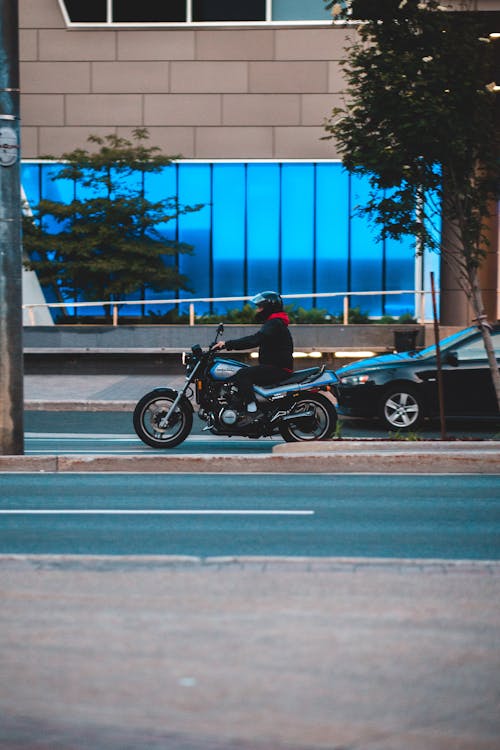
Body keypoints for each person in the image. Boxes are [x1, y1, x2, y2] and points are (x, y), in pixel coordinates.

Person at [212, 291, 294, 413]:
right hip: (275, 367)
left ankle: (251, 409)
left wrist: (227, 344)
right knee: (241, 374)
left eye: (260, 307)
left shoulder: (275, 323)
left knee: (242, 374)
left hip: (278, 369)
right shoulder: (275, 322)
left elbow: (254, 340)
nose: (257, 311)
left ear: (269, 307)